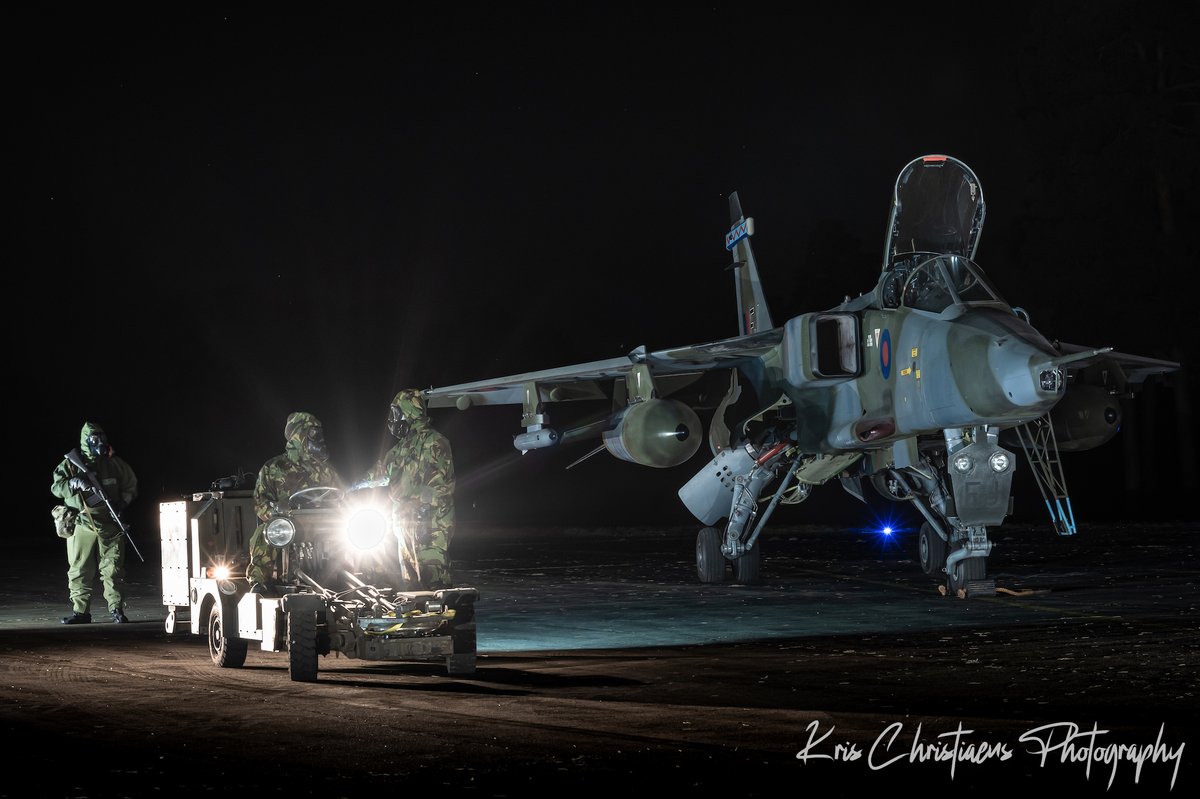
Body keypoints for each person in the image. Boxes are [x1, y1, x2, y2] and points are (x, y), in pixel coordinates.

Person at [363, 388, 456, 590]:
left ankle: (446, 619)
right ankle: (418, 615)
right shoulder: (401, 449)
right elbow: (380, 474)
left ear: (409, 411)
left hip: (430, 523)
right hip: (405, 523)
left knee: (434, 580)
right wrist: (351, 486)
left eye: (397, 413)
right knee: (411, 583)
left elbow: (442, 486)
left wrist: (423, 508)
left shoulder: (435, 442)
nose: (394, 420)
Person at [49, 421, 138, 624]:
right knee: (80, 569)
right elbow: (56, 487)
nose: (99, 442)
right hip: (81, 522)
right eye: (94, 439)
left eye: (101, 438)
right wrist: (73, 482)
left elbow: (130, 484)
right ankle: (81, 612)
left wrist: (122, 503)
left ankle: (116, 609)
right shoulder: (70, 465)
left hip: (110, 523)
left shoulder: (114, 464)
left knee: (113, 568)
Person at [246, 411, 342, 592]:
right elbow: (260, 502)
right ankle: (258, 581)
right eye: (314, 434)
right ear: (299, 435)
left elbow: (340, 496)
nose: (319, 438)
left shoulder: (325, 470)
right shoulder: (273, 467)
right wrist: (274, 511)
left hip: (322, 526)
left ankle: (370, 576)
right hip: (288, 526)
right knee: (265, 532)